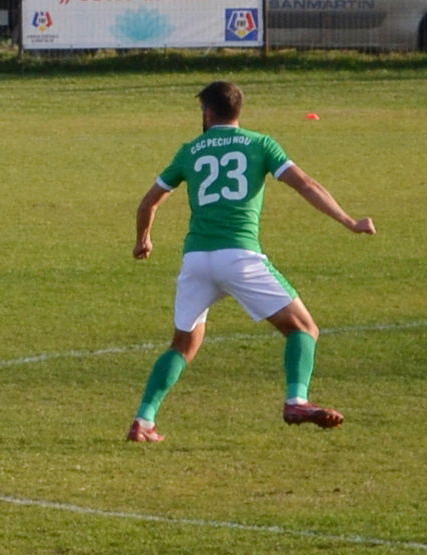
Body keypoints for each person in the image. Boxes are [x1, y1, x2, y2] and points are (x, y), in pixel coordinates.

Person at [126, 81, 375, 442]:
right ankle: (297, 401)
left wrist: (143, 240)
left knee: (182, 345)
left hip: (196, 260)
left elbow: (148, 202)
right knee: (303, 329)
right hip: (239, 257)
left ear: (208, 113)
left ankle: (144, 420)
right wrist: (350, 221)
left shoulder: (190, 150)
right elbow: (304, 184)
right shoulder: (260, 144)